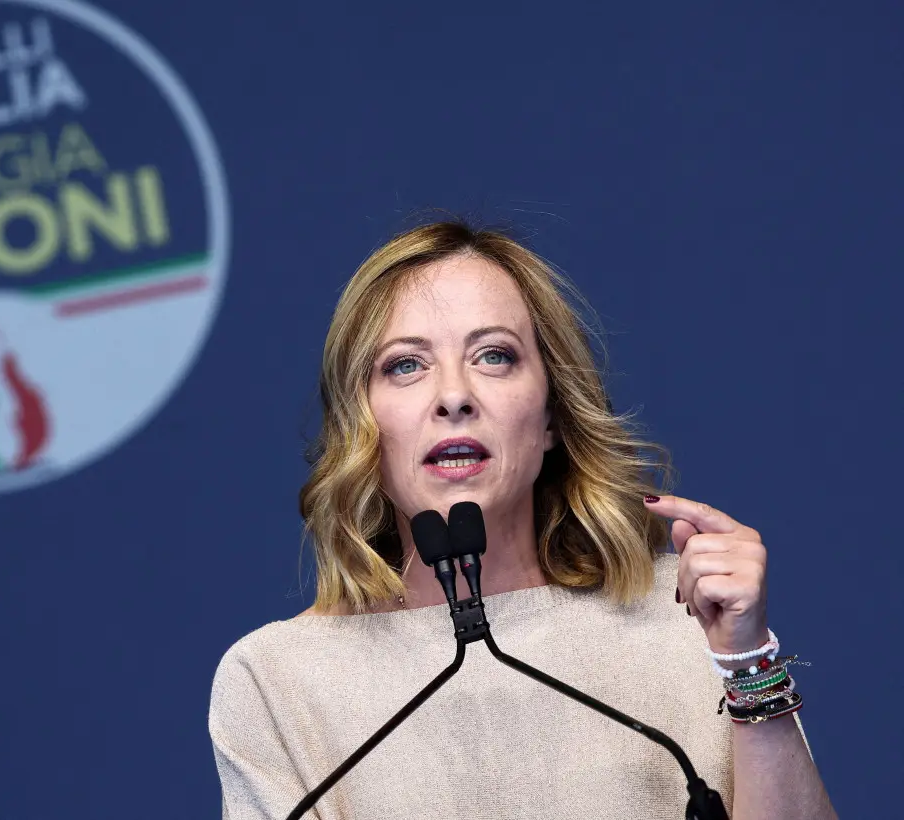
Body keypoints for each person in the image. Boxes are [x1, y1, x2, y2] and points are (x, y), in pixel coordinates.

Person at [207, 221, 839, 820]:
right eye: (405, 364)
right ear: (361, 426)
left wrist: (748, 663)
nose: (453, 396)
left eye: (494, 357)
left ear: (551, 418)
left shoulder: (684, 620)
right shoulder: (279, 681)